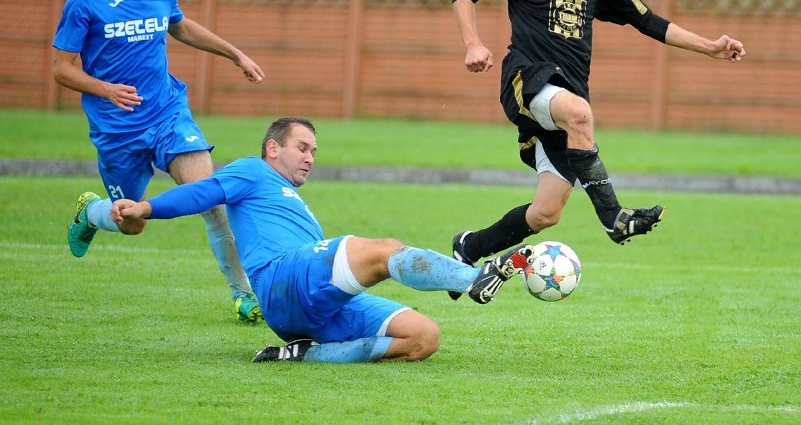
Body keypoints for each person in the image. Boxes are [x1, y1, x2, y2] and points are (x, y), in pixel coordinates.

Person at [449, 0, 746, 282]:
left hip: (567, 99)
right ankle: (613, 217)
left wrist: (710, 46)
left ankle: (470, 247)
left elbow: (649, 21)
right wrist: (473, 44)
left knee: (546, 213)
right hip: (527, 80)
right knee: (580, 112)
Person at [110, 117, 535, 363]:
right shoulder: (252, 171)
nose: (311, 157)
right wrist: (147, 207)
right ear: (272, 148)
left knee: (423, 337)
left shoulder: (291, 199)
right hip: (283, 280)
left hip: (310, 307)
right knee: (382, 249)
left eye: (314, 151)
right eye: (303, 147)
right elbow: (202, 192)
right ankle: (472, 278)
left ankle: (303, 354)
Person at [52, 0, 266, 322]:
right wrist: (105, 89)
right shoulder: (85, 1)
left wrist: (235, 54)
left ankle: (245, 295)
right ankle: (92, 213)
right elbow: (61, 69)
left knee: (212, 198)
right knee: (132, 222)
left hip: (168, 114)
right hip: (117, 131)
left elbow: (179, 26)